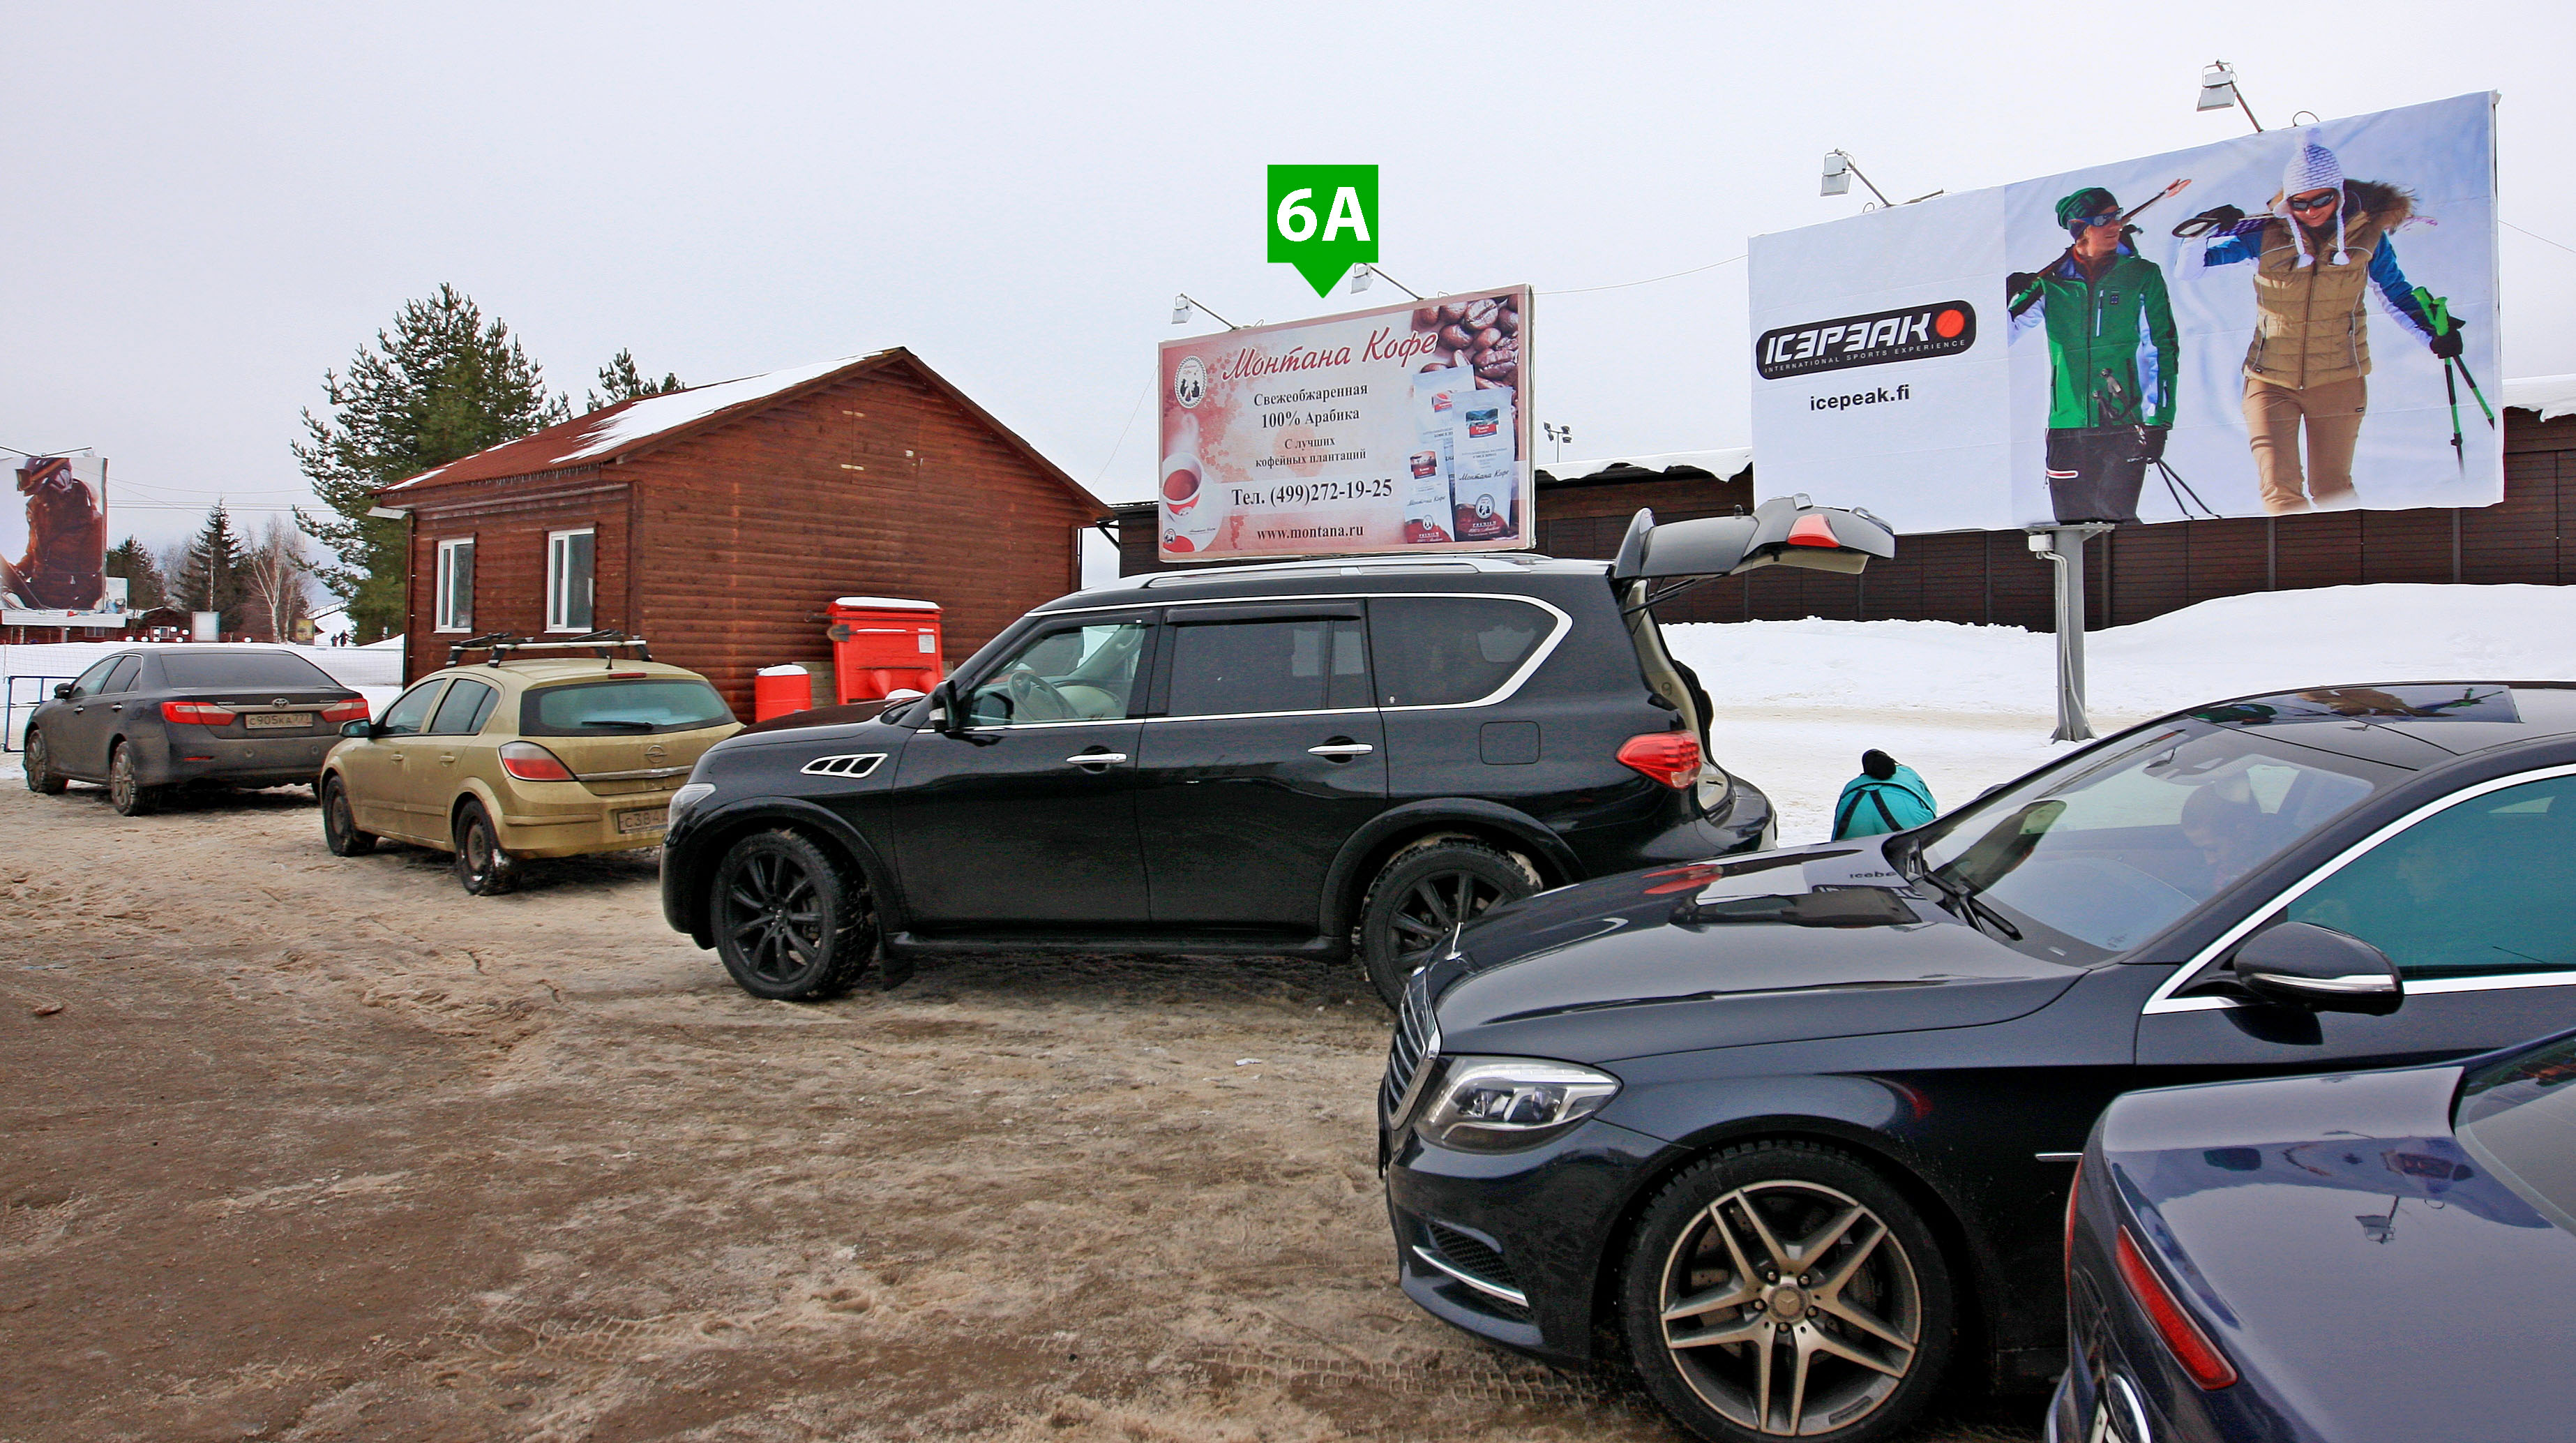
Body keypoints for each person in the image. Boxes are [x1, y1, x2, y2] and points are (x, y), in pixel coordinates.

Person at [2179, 132, 2456, 514]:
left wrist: (2434, 336)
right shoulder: (2267, 235)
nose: (2310, 211)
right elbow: (2190, 271)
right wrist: (2200, 234)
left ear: (2338, 194)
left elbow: (2395, 292)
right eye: (2300, 203)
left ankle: (2344, 551)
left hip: (2338, 380)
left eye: (2321, 200)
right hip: (2269, 379)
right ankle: (2295, 553)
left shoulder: (2368, 238)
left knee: (2332, 489)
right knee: (2279, 490)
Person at [2007, 186, 2178, 524]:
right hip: (2067, 427)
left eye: (2117, 216)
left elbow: (2162, 347)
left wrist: (2159, 419)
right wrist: (2000, 297)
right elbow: (2001, 337)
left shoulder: (2141, 275)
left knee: (2120, 526)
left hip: (2123, 424)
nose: (2116, 225)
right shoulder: (2050, 284)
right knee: (2071, 528)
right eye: (2104, 220)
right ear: (2080, 229)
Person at [1832, 750, 1938, 839]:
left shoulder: (1852, 786)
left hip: (1854, 822)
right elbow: (1931, 806)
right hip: (1906, 824)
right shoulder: (1908, 774)